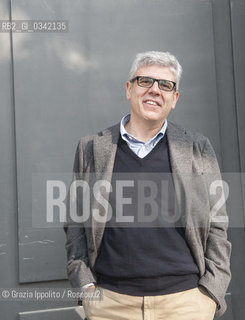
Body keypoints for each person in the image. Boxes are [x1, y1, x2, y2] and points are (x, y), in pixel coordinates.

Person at [64, 51, 231, 320]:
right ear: (129, 89)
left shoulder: (197, 147)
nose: (154, 90)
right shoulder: (92, 147)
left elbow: (217, 222)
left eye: (165, 85)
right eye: (145, 81)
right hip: (111, 305)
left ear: (174, 98)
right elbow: (75, 221)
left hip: (186, 304)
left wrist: (212, 292)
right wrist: (85, 287)